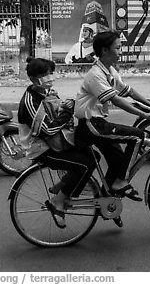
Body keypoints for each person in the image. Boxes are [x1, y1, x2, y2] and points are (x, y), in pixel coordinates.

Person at [74, 31, 150, 202]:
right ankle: (121, 182)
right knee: (138, 136)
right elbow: (117, 100)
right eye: (118, 48)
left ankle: (106, 200)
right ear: (105, 50)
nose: (121, 51)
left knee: (117, 161)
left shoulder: (109, 71)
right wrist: (144, 114)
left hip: (98, 123)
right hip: (91, 126)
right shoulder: (95, 75)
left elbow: (127, 91)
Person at [18, 57, 97, 228]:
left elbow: (58, 110)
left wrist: (66, 105)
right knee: (84, 165)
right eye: (44, 74)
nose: (49, 77)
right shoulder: (30, 101)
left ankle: (63, 185)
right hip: (41, 149)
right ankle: (58, 202)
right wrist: (67, 113)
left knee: (93, 155)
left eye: (50, 73)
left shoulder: (46, 93)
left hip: (56, 142)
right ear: (32, 79)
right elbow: (47, 130)